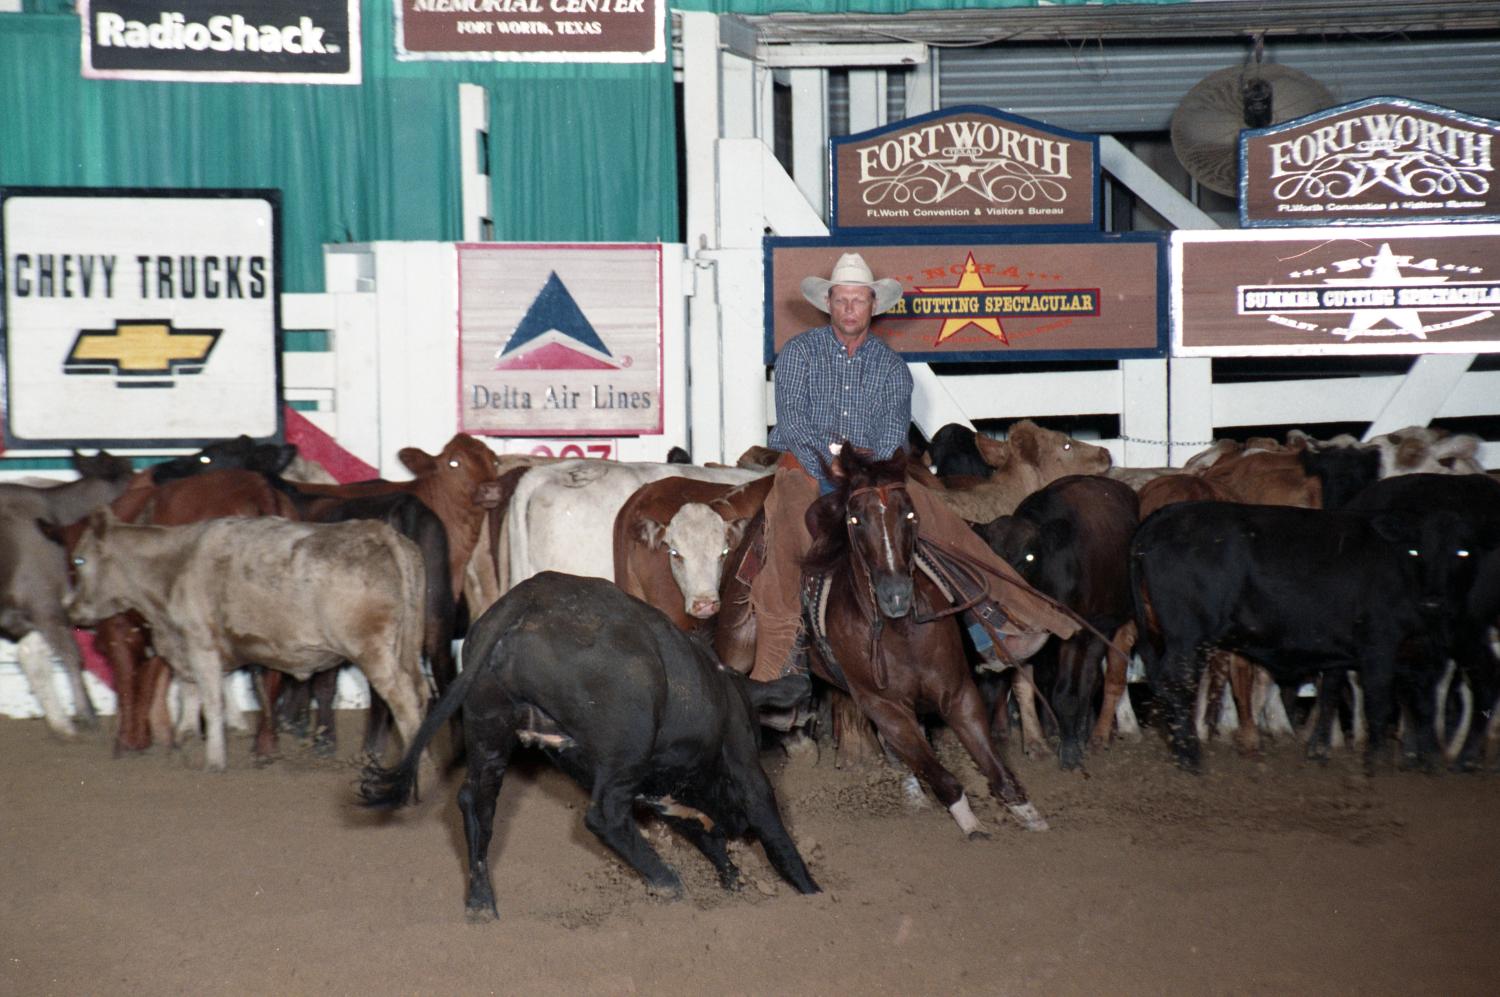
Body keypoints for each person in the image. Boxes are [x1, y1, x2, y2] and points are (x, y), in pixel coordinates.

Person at [749, 252, 1077, 682]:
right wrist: (829, 463)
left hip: (872, 475)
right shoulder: (799, 354)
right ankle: (779, 661)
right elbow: (792, 421)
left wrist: (864, 470)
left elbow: (891, 434)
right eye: (842, 300)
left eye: (859, 300)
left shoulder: (890, 366)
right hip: (806, 468)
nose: (850, 309)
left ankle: (999, 619)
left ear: (872, 306)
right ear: (828, 303)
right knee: (791, 535)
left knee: (945, 523)